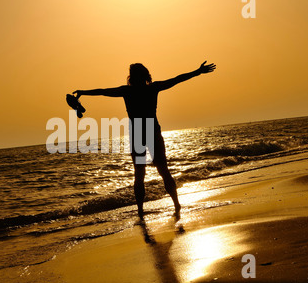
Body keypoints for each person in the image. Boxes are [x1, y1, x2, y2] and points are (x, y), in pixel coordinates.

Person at [73, 61, 216, 219]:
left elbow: (103, 91)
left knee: (140, 174)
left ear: (131, 77)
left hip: (138, 133)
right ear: (146, 75)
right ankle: (175, 204)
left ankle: (141, 211)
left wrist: (83, 92)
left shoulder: (127, 91)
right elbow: (177, 79)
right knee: (163, 171)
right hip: (152, 131)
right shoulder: (152, 88)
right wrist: (197, 71)